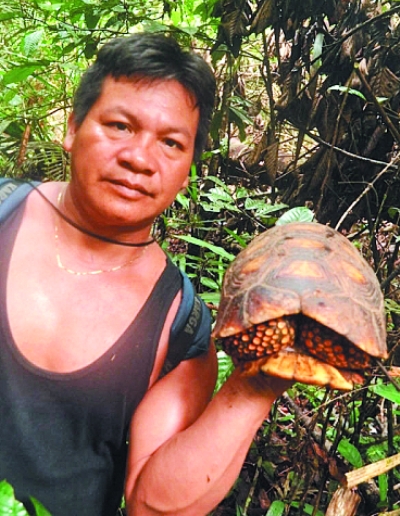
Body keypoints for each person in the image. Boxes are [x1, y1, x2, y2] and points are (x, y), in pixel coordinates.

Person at [0, 32, 292, 516]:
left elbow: (153, 505)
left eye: (171, 143)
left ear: (188, 169)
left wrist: (257, 384)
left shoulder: (181, 328)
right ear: (73, 128)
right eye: (119, 126)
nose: (139, 159)